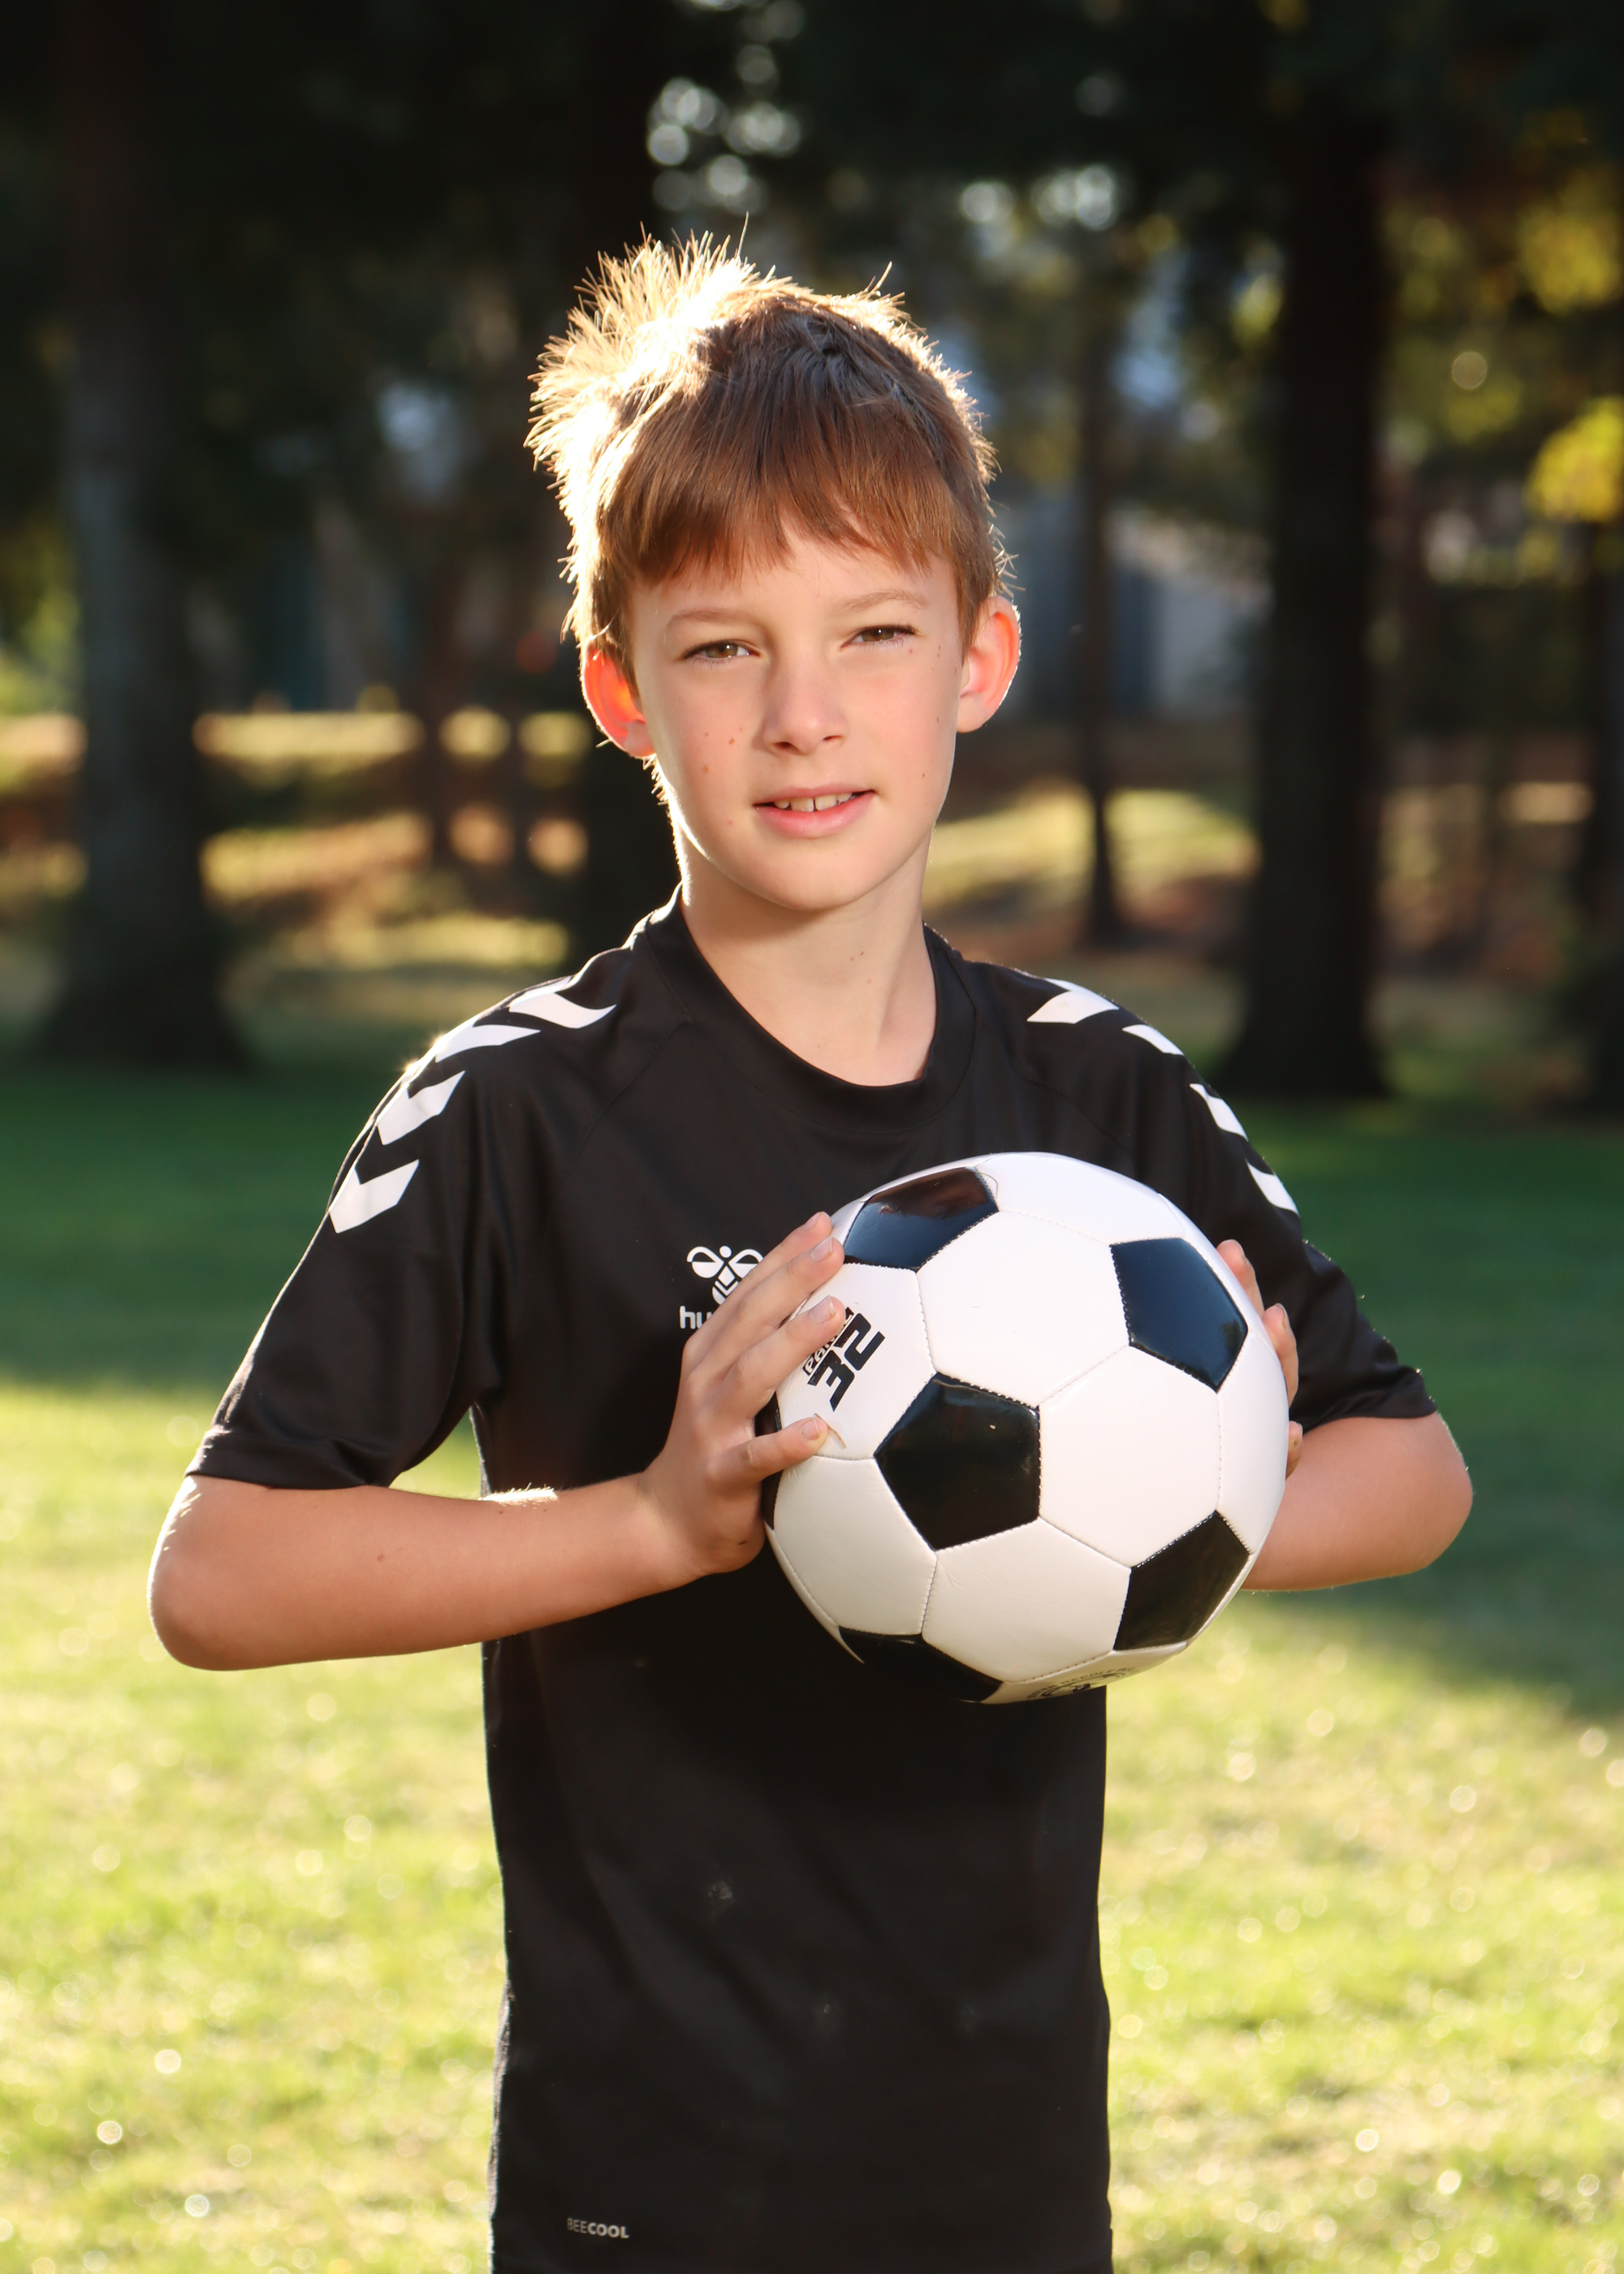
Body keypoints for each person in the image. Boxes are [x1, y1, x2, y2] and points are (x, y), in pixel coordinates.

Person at [150, 241, 1471, 2274]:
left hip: (1005, 2153)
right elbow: (223, 1572)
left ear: (977, 657)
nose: (803, 714)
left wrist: (1157, 1509)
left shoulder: (1095, 1094)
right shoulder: (522, 1108)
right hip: (651, 2169)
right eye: (721, 646)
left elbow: (1411, 1469)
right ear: (620, 690)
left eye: (871, 631)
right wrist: (652, 1522)